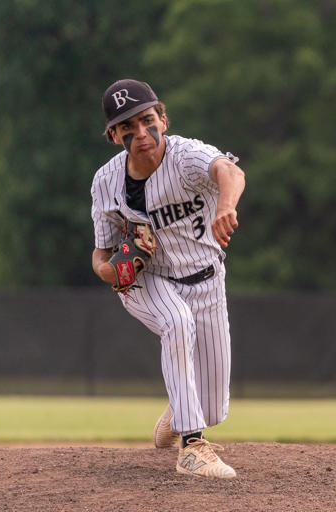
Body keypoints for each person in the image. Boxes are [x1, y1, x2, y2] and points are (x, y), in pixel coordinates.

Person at [90, 79, 245, 479]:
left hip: (208, 280)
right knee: (177, 322)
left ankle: (179, 416)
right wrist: (114, 270)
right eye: (128, 127)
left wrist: (225, 205)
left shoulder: (186, 156)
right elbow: (101, 256)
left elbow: (228, 171)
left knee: (213, 409)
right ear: (114, 135)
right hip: (149, 280)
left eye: (147, 120)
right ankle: (193, 448)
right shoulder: (106, 183)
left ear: (163, 117)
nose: (141, 133)